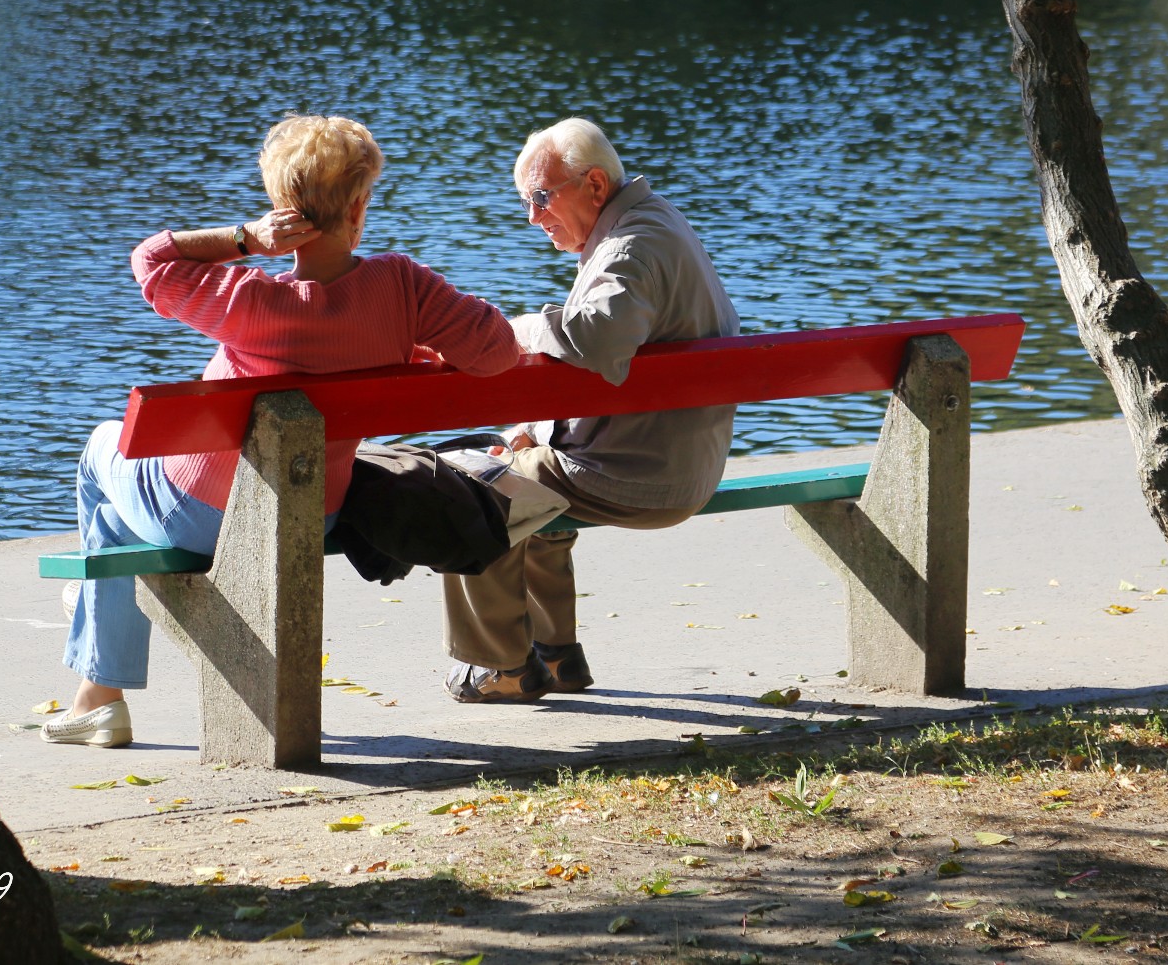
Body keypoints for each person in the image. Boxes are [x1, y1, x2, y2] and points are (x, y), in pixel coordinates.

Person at [45, 115, 519, 747]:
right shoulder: (403, 286)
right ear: (358, 207)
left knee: (103, 450)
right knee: (113, 522)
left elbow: (150, 260)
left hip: (196, 509)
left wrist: (246, 238)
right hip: (309, 510)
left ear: (282, 208)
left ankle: (98, 679)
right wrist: (413, 346)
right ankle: (94, 698)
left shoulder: (251, 298)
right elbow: (498, 351)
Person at [413, 117, 739, 703]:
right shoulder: (653, 222)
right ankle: (555, 656)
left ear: (593, 184)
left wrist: (505, 331)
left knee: (467, 488)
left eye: (540, 197)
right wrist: (532, 434)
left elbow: (598, 338)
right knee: (523, 469)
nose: (532, 217)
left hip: (644, 476)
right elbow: (611, 365)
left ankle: (502, 666)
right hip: (677, 460)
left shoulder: (631, 245)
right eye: (526, 202)